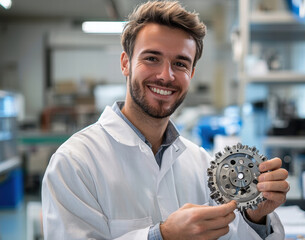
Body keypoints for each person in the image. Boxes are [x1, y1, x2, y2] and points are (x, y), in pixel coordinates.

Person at [42, 1, 290, 239]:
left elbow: (230, 237)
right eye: (152, 58)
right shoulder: (75, 162)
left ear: (191, 73)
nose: (165, 76)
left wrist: (255, 216)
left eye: (180, 63)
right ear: (126, 63)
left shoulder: (200, 162)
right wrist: (161, 236)